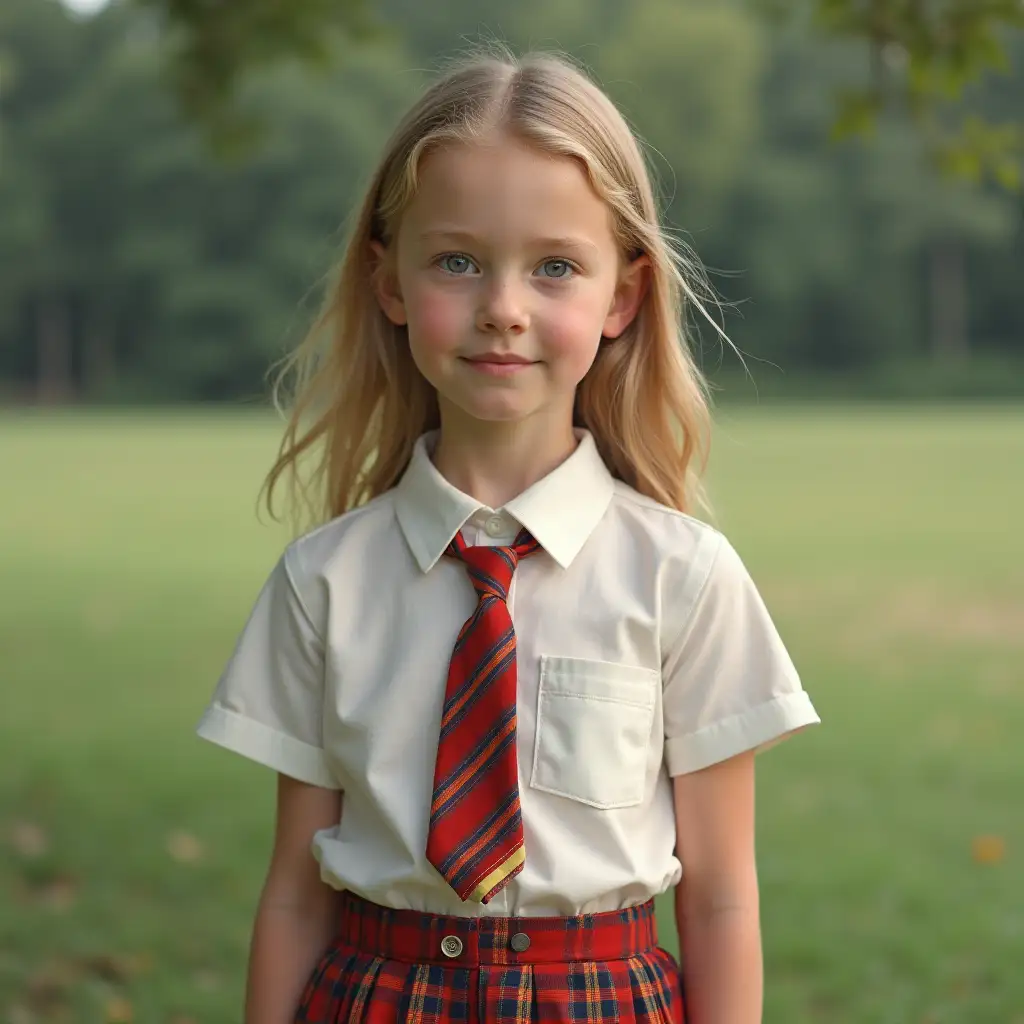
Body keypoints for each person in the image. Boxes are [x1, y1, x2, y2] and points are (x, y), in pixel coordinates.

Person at [196, 47, 820, 1024]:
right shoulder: (324, 579)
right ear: (389, 282)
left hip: (603, 998)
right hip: (372, 994)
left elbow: (721, 897)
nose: (502, 308)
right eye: (457, 260)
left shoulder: (681, 577)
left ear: (621, 297)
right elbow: (291, 889)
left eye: (555, 267)